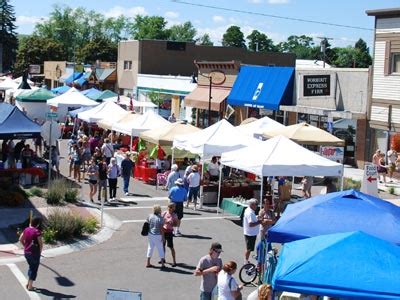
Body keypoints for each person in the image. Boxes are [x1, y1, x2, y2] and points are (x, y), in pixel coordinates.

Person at [19, 217, 43, 291]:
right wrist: (40, 252)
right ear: (38, 224)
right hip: (34, 253)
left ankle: (28, 283)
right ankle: (30, 286)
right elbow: (41, 244)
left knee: (31, 267)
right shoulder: (37, 232)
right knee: (34, 269)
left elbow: (20, 239)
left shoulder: (26, 229)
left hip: (26, 253)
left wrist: (25, 246)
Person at [243, 199, 261, 264]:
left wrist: (256, 217)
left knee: (249, 248)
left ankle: (246, 260)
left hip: (251, 233)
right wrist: (259, 222)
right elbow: (250, 224)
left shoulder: (249, 211)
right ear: (252, 205)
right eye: (256, 205)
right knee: (249, 249)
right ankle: (245, 261)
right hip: (250, 234)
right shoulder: (250, 212)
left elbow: (252, 219)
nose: (257, 206)